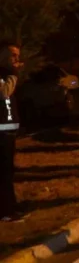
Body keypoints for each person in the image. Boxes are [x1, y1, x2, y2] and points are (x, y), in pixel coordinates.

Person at [0, 41, 25, 222]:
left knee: (8, 172)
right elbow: (4, 93)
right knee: (4, 173)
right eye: (13, 55)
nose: (17, 59)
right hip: (1, 132)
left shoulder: (8, 73)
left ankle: (10, 207)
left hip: (8, 131)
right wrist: (14, 75)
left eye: (18, 55)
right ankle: (6, 211)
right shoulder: (6, 75)